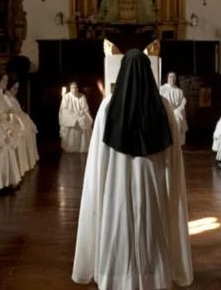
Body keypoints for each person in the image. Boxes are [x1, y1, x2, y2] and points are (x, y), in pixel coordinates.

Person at [72, 49, 193, 289]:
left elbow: (98, 155)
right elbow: (173, 154)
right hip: (152, 182)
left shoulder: (108, 106)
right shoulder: (163, 106)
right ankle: (154, 278)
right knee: (152, 229)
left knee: (118, 228)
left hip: (115, 184)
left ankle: (115, 277)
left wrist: (100, 183)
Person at [0, 73, 33, 175]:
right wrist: (9, 116)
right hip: (1, 122)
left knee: (23, 132)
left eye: (6, 81)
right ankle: (16, 171)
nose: (6, 83)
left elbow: (7, 109)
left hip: (6, 120)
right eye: (4, 81)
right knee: (16, 136)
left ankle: (20, 169)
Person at [4, 77, 40, 170]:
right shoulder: (6, 97)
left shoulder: (13, 98)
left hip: (19, 119)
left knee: (30, 131)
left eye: (17, 89)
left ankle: (29, 160)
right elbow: (11, 112)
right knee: (24, 133)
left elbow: (19, 110)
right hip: (13, 121)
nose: (16, 91)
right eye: (14, 88)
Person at [59, 82, 93, 153]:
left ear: (77, 88)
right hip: (70, 116)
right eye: (72, 88)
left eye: (75, 87)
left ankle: (82, 147)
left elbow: (85, 108)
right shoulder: (66, 97)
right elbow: (64, 109)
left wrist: (81, 113)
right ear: (70, 89)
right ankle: (70, 147)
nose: (74, 89)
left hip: (80, 115)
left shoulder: (82, 96)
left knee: (83, 121)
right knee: (72, 122)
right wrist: (74, 115)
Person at [160, 71, 188, 146]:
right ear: (167, 78)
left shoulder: (179, 91)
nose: (172, 79)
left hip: (176, 113)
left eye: (174, 77)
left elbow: (182, 103)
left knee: (178, 124)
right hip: (166, 112)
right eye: (170, 77)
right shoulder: (162, 89)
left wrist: (177, 111)